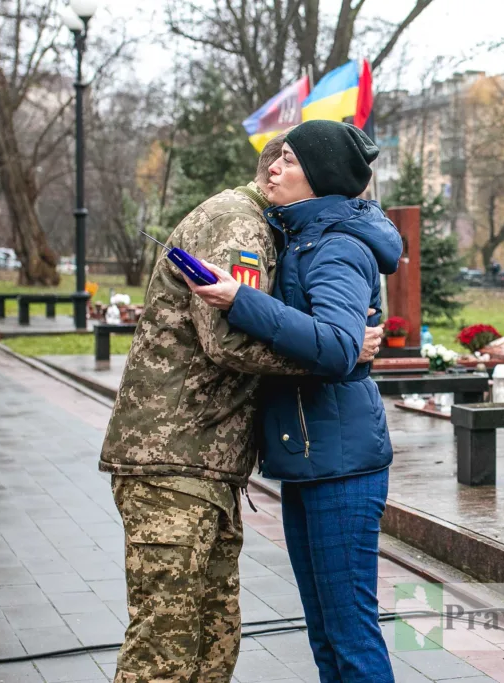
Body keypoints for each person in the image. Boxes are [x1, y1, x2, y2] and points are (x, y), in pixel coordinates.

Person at [98, 133, 383, 683]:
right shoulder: (240, 224)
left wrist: (333, 345)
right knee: (167, 645)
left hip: (202, 460)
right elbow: (226, 339)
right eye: (281, 159)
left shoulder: (287, 230)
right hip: (175, 458)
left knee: (211, 635)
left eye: (292, 161)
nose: (280, 169)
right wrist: (334, 355)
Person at [188, 120, 401, 683]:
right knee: (326, 631)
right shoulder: (304, 237)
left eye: (287, 160)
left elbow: (335, 348)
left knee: (350, 631)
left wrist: (240, 300)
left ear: (321, 176)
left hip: (342, 464)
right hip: (312, 458)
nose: (272, 170)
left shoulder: (336, 248)